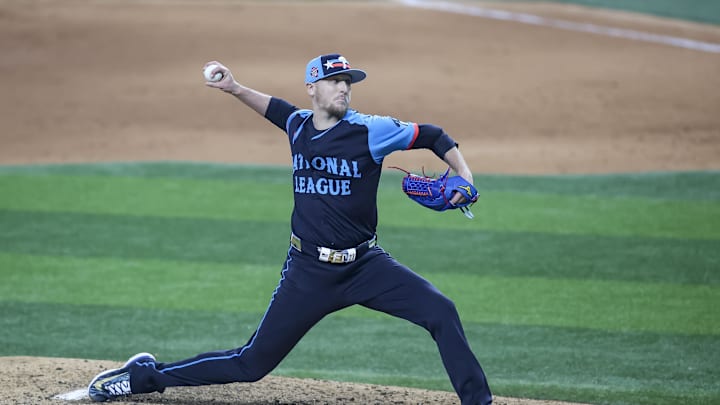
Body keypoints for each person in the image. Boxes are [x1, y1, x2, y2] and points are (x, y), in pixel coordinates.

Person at [88, 53, 493, 405]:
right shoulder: (298, 125)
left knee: (441, 310)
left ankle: (477, 401)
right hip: (309, 271)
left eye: (347, 82)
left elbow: (433, 135)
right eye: (334, 81)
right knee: (251, 364)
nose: (343, 88)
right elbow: (274, 108)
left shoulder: (370, 130)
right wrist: (233, 87)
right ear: (312, 88)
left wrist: (464, 174)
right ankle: (143, 376)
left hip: (367, 265)